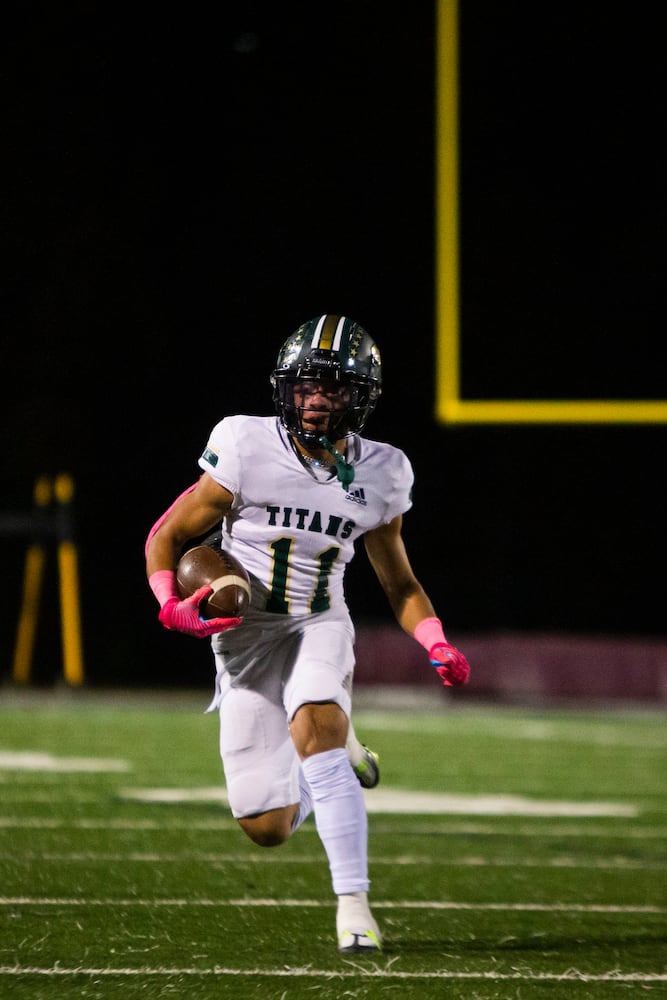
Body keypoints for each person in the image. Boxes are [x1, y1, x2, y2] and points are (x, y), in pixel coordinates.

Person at [145, 314, 471, 954]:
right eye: (306, 387)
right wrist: (169, 603)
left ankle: (354, 906)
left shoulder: (382, 471)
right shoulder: (244, 444)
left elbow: (400, 585)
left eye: (333, 389)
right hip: (244, 637)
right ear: (284, 389)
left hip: (319, 621)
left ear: (361, 397)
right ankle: (342, 754)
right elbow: (168, 536)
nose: (317, 401)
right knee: (266, 826)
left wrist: (435, 640)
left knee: (315, 724)